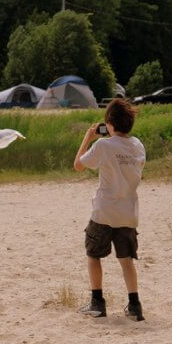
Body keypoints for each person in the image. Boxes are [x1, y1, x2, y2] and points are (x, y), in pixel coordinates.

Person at [73, 98, 146, 321]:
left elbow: (78, 165)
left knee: (93, 255)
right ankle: (134, 306)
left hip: (104, 211)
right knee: (126, 260)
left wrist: (88, 137)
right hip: (128, 212)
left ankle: (97, 302)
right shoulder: (137, 145)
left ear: (110, 123)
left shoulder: (103, 145)